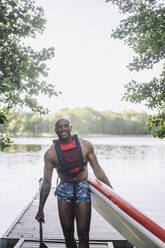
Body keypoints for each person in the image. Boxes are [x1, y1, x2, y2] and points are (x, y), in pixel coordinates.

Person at [35, 118, 112, 248]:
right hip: (64, 189)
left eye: (66, 126)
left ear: (71, 128)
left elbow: (97, 170)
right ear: (55, 130)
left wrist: (111, 192)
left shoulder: (86, 145)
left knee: (83, 234)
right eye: (60, 127)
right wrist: (40, 208)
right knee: (68, 233)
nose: (63, 129)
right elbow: (47, 183)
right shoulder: (50, 154)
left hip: (82, 187)